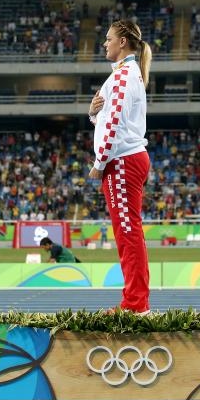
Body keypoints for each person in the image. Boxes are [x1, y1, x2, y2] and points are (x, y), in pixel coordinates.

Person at [87, 19, 152, 315]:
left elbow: (113, 125)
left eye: (108, 38)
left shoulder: (123, 75)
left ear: (122, 42)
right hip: (126, 159)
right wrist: (92, 115)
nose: (105, 43)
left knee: (128, 233)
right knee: (127, 233)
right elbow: (110, 119)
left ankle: (135, 305)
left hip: (121, 161)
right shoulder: (125, 75)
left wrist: (100, 163)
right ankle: (135, 302)